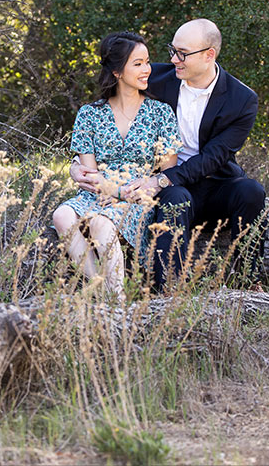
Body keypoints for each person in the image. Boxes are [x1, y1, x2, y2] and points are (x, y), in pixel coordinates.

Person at [70, 19, 266, 292]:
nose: (174, 59)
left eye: (182, 53)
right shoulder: (157, 78)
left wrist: (163, 180)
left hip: (211, 181)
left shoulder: (241, 99)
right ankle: (167, 291)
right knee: (177, 197)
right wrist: (77, 163)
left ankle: (247, 279)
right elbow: (107, 117)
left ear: (209, 54)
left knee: (251, 192)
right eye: (172, 50)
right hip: (164, 187)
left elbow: (215, 157)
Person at [53, 31, 182, 300]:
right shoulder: (90, 113)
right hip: (99, 193)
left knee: (100, 224)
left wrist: (130, 194)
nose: (147, 69)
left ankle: (118, 302)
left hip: (138, 195)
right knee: (62, 216)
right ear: (116, 72)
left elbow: (167, 169)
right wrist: (112, 191)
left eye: (147, 62)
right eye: (138, 64)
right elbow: (89, 173)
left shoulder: (161, 112)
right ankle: (101, 290)